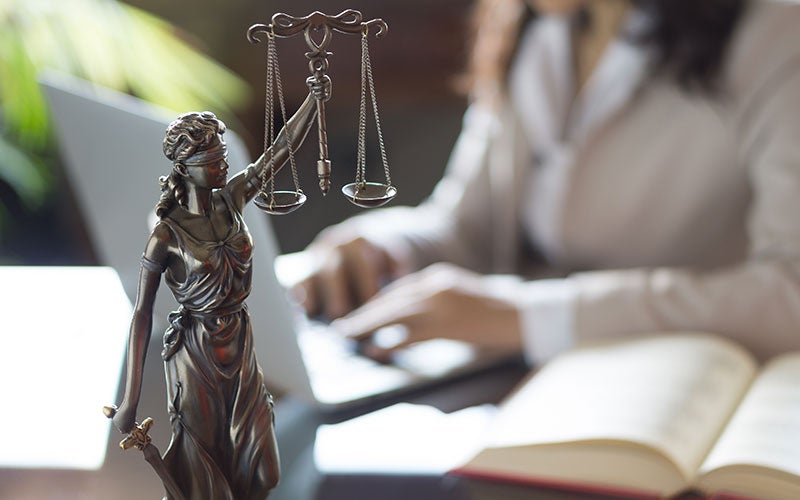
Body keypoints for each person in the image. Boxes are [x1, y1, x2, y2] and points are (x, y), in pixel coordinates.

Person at [292, 0, 800, 365]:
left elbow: (790, 292)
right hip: (528, 388)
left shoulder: (777, 29)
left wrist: (529, 317)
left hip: (685, 393)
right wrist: (385, 245)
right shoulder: (537, 25)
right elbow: (469, 227)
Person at [109, 80, 329, 500]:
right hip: (197, 353)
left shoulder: (233, 199)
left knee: (260, 470)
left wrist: (314, 101)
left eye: (223, 157)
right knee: (203, 474)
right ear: (186, 166)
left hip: (240, 342)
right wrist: (129, 401)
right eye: (214, 160)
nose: (223, 166)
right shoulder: (166, 235)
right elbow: (141, 313)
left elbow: (280, 150)